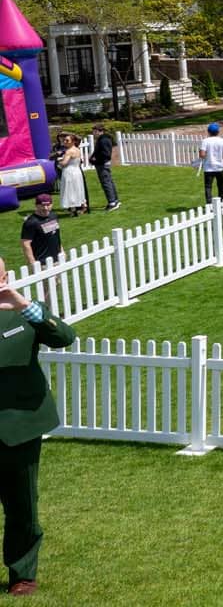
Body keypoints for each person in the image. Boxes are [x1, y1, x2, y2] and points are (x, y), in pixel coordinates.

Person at [0, 256, 77, 597]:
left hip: (22, 424)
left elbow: (64, 336)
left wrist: (23, 303)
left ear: (6, 276)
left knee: (23, 504)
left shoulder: (27, 312)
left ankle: (23, 574)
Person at [19, 195, 61, 275]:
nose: (45, 208)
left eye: (48, 205)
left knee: (57, 285)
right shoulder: (31, 222)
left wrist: (62, 251)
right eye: (42, 205)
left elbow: (55, 236)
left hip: (57, 259)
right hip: (42, 263)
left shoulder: (53, 216)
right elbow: (25, 244)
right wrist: (33, 263)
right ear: (36, 205)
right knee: (47, 287)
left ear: (52, 205)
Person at [87, 124, 120, 212]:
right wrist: (92, 158)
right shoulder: (102, 139)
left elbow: (105, 154)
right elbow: (98, 152)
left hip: (102, 164)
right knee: (109, 181)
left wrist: (95, 160)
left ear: (99, 131)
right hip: (102, 163)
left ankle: (112, 202)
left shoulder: (103, 140)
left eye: (94, 131)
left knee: (106, 183)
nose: (93, 133)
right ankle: (115, 200)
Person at [55, 135, 87, 217]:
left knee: (70, 190)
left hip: (69, 172)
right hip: (77, 171)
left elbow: (64, 163)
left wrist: (59, 162)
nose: (65, 142)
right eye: (64, 140)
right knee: (77, 189)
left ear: (73, 142)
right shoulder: (77, 150)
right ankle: (82, 205)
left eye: (67, 140)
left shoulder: (69, 151)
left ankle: (73, 210)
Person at [199, 122, 223, 203]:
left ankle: (209, 204)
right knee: (220, 185)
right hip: (219, 167)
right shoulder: (222, 141)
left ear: (208, 131)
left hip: (208, 168)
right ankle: (221, 202)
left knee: (208, 187)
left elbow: (202, 155)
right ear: (218, 132)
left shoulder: (205, 141)